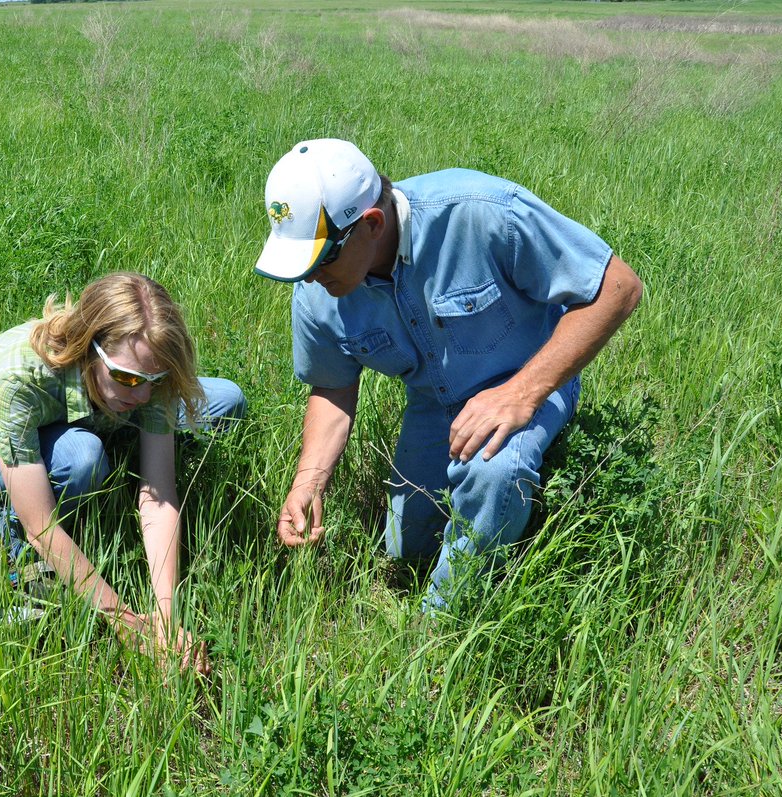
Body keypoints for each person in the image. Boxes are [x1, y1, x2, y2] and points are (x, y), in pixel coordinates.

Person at [254, 139, 643, 610]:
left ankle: (441, 624)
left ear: (371, 224)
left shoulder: (482, 213)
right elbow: (333, 387)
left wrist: (520, 394)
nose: (310, 276)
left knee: (494, 472)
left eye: (321, 259)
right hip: (435, 404)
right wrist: (309, 481)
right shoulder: (318, 292)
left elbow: (618, 287)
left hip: (531, 382)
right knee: (406, 551)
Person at [0, 272, 245, 672]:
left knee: (227, 401)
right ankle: (34, 575)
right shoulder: (18, 378)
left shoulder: (143, 377)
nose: (143, 394)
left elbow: (158, 496)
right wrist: (124, 622)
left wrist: (166, 617)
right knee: (82, 460)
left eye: (154, 380)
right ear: (90, 347)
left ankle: (114, 450)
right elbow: (41, 526)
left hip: (96, 413)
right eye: (128, 378)